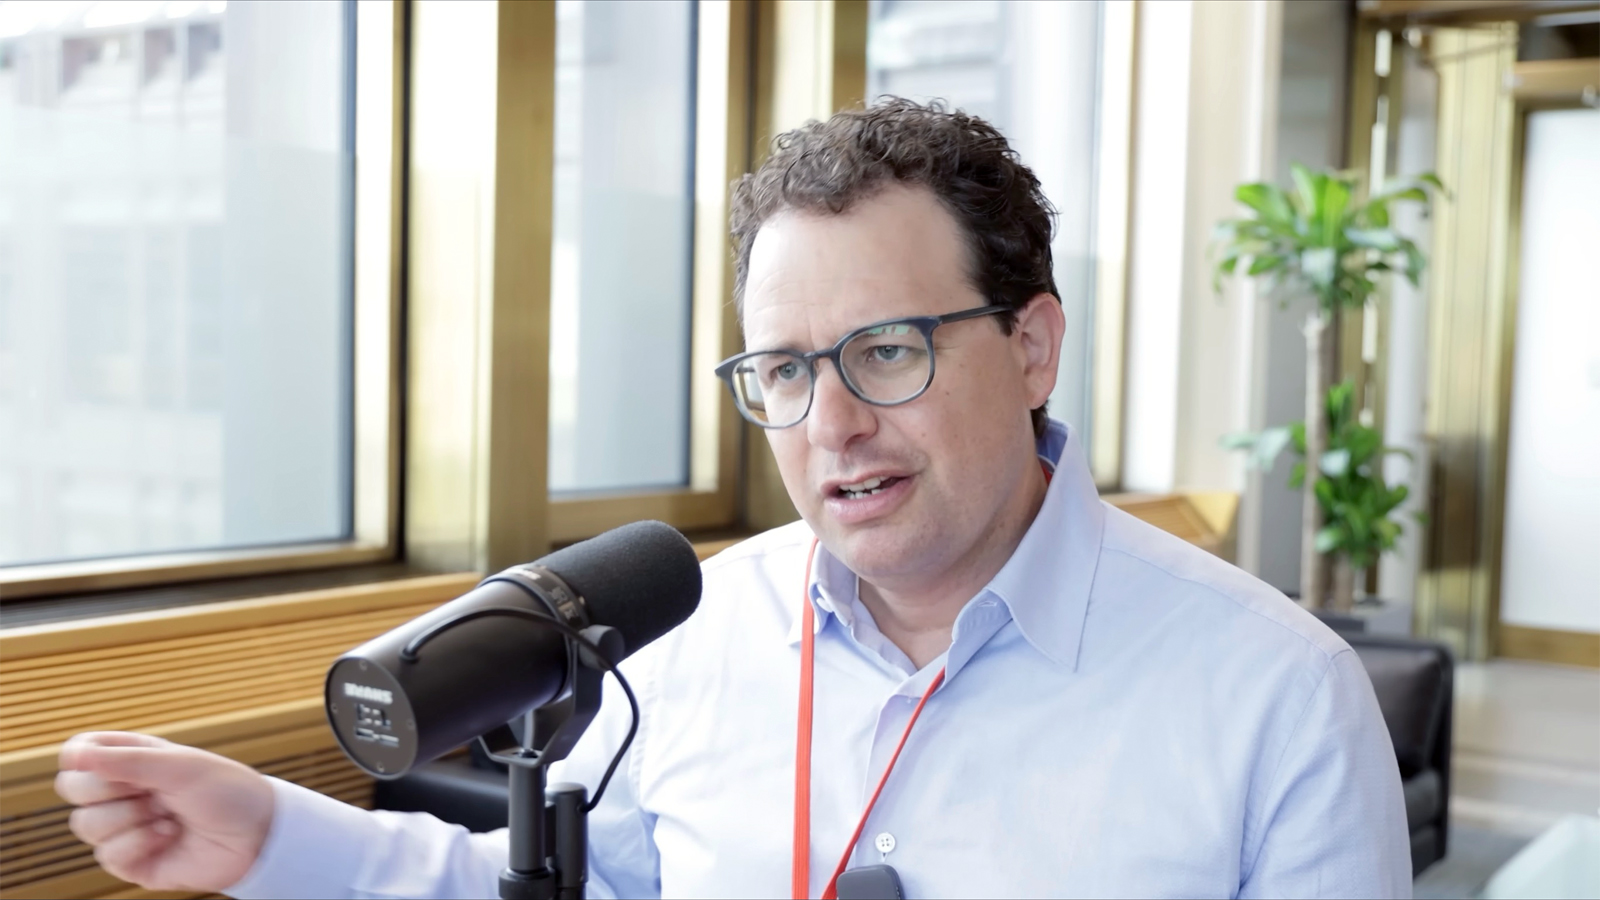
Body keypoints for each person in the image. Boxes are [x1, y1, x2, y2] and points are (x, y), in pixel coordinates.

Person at [56, 99, 1411, 899]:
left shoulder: (1277, 695)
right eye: (784, 369)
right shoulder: (693, 635)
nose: (833, 424)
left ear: (1034, 347)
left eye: (889, 351)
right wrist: (271, 838)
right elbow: (559, 884)